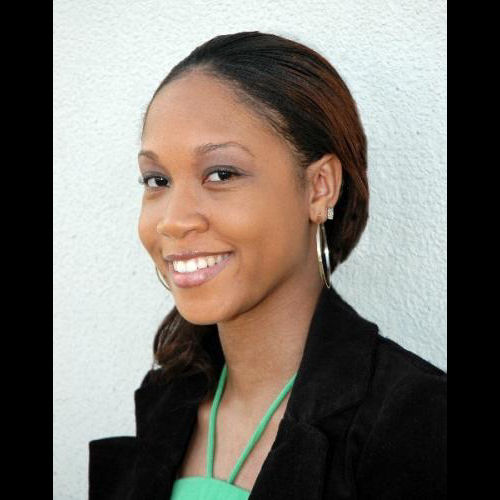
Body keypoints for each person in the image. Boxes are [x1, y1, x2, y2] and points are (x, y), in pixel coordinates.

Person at [89, 31, 446, 499]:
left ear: (319, 187)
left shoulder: (417, 420)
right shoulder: (167, 399)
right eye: (157, 180)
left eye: (221, 174)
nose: (173, 221)